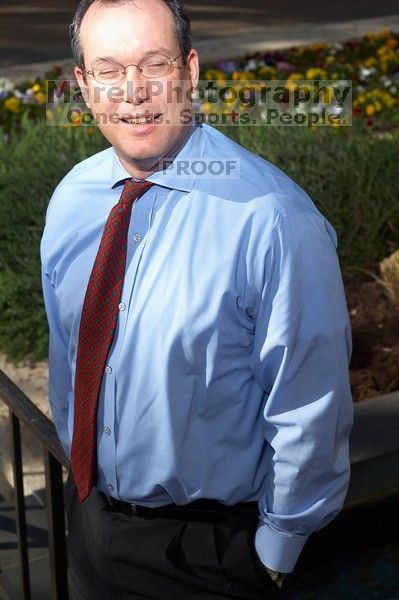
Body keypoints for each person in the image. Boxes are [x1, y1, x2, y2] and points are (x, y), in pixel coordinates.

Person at [40, 0, 354, 598]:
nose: (132, 92)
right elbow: (69, 352)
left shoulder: (272, 221)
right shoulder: (72, 199)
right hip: (89, 522)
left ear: (190, 70)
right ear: (82, 85)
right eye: (108, 70)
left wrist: (274, 552)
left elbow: (310, 404)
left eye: (153, 63)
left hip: (207, 558)